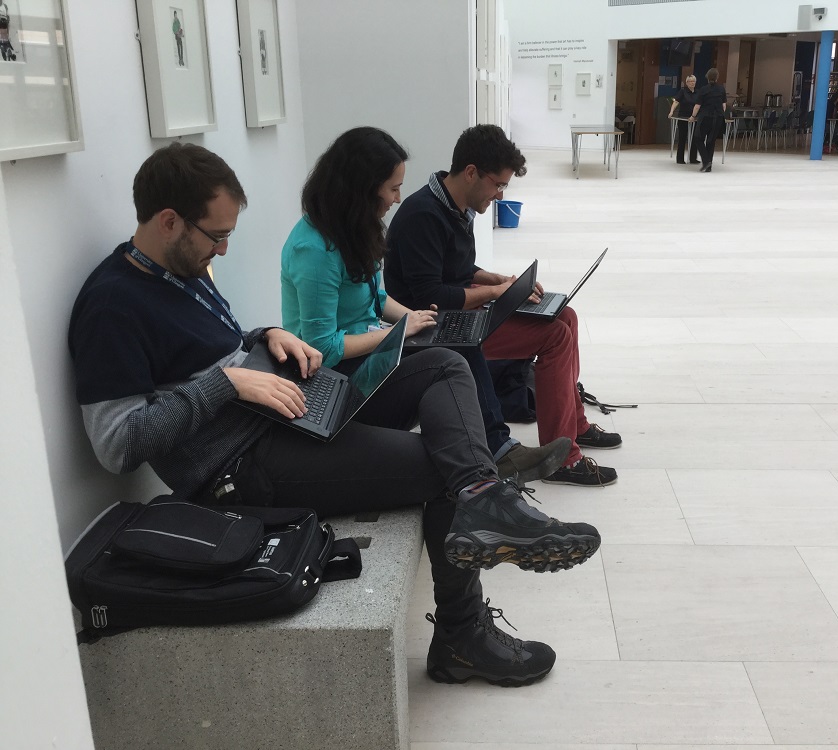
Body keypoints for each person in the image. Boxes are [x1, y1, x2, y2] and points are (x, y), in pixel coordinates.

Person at [68, 142, 601, 687]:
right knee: (445, 466)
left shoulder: (181, 269)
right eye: (217, 235)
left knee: (444, 363)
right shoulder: (113, 306)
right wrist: (227, 384)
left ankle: (485, 495)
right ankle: (462, 635)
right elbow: (117, 445)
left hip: (287, 410)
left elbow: (210, 349)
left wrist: (263, 336)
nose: (224, 250)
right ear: (169, 222)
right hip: (239, 464)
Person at [280, 126, 569, 484]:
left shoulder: (350, 230)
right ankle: (491, 459)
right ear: (362, 188)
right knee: (450, 359)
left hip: (370, 352)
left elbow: (376, 298)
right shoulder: (313, 250)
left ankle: (490, 459)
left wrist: (416, 319)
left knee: (452, 339)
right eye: (393, 188)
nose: (397, 198)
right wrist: (401, 331)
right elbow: (323, 348)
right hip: (339, 380)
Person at [384, 125, 621, 488]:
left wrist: (500, 281)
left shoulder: (455, 207)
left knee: (565, 316)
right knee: (554, 336)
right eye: (498, 185)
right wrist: (496, 293)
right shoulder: (423, 216)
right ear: (471, 172)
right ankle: (563, 461)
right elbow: (431, 297)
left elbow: (459, 271)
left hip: (460, 314)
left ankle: (575, 426)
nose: (499, 194)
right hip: (436, 327)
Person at [689, 67, 727, 172]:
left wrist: (693, 116)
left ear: (707, 77)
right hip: (718, 118)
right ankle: (709, 166)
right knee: (711, 141)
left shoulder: (703, 90)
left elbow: (697, 106)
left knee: (698, 138)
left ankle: (706, 161)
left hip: (705, 117)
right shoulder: (721, 89)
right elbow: (724, 106)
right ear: (717, 77)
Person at [667, 75, 700, 165]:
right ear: (687, 83)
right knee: (682, 137)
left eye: (693, 81)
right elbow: (676, 101)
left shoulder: (698, 92)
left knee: (695, 138)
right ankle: (680, 158)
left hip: (694, 118)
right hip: (683, 117)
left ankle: (693, 158)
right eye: (690, 81)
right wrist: (671, 111)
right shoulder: (683, 91)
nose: (692, 83)